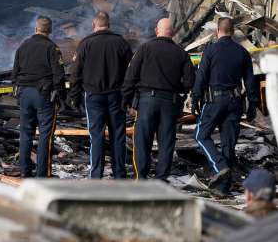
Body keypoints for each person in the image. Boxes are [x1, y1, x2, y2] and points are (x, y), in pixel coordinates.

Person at [123, 18, 195, 181]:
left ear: (157, 30)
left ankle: (141, 177)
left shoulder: (144, 48)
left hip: (147, 101)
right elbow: (190, 81)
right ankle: (162, 178)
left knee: (142, 141)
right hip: (170, 102)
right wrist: (179, 92)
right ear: (174, 33)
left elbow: (130, 77)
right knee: (166, 142)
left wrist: (125, 100)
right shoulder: (181, 53)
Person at [192, 17, 257, 195]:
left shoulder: (211, 50)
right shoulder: (242, 52)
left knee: (200, 134)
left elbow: (201, 77)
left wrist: (195, 98)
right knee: (228, 144)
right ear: (233, 31)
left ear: (217, 32)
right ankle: (223, 188)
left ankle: (219, 166)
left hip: (214, 101)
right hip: (235, 102)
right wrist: (253, 104)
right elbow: (250, 81)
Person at [68, 12, 133, 179]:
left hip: (94, 97)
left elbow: (75, 72)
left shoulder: (85, 44)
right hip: (116, 96)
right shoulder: (121, 43)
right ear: (109, 24)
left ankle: (96, 174)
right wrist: (129, 95)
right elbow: (131, 72)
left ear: (93, 25)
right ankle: (119, 174)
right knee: (118, 135)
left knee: (96, 136)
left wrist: (74, 95)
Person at [12, 16, 65, 178]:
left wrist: (18, 92)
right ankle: (42, 174)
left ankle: (24, 170)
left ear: (35, 29)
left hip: (24, 94)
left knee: (25, 133)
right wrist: (62, 97)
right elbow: (59, 75)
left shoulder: (23, 46)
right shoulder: (52, 48)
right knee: (45, 135)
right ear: (50, 30)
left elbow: (14, 72)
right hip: (43, 95)